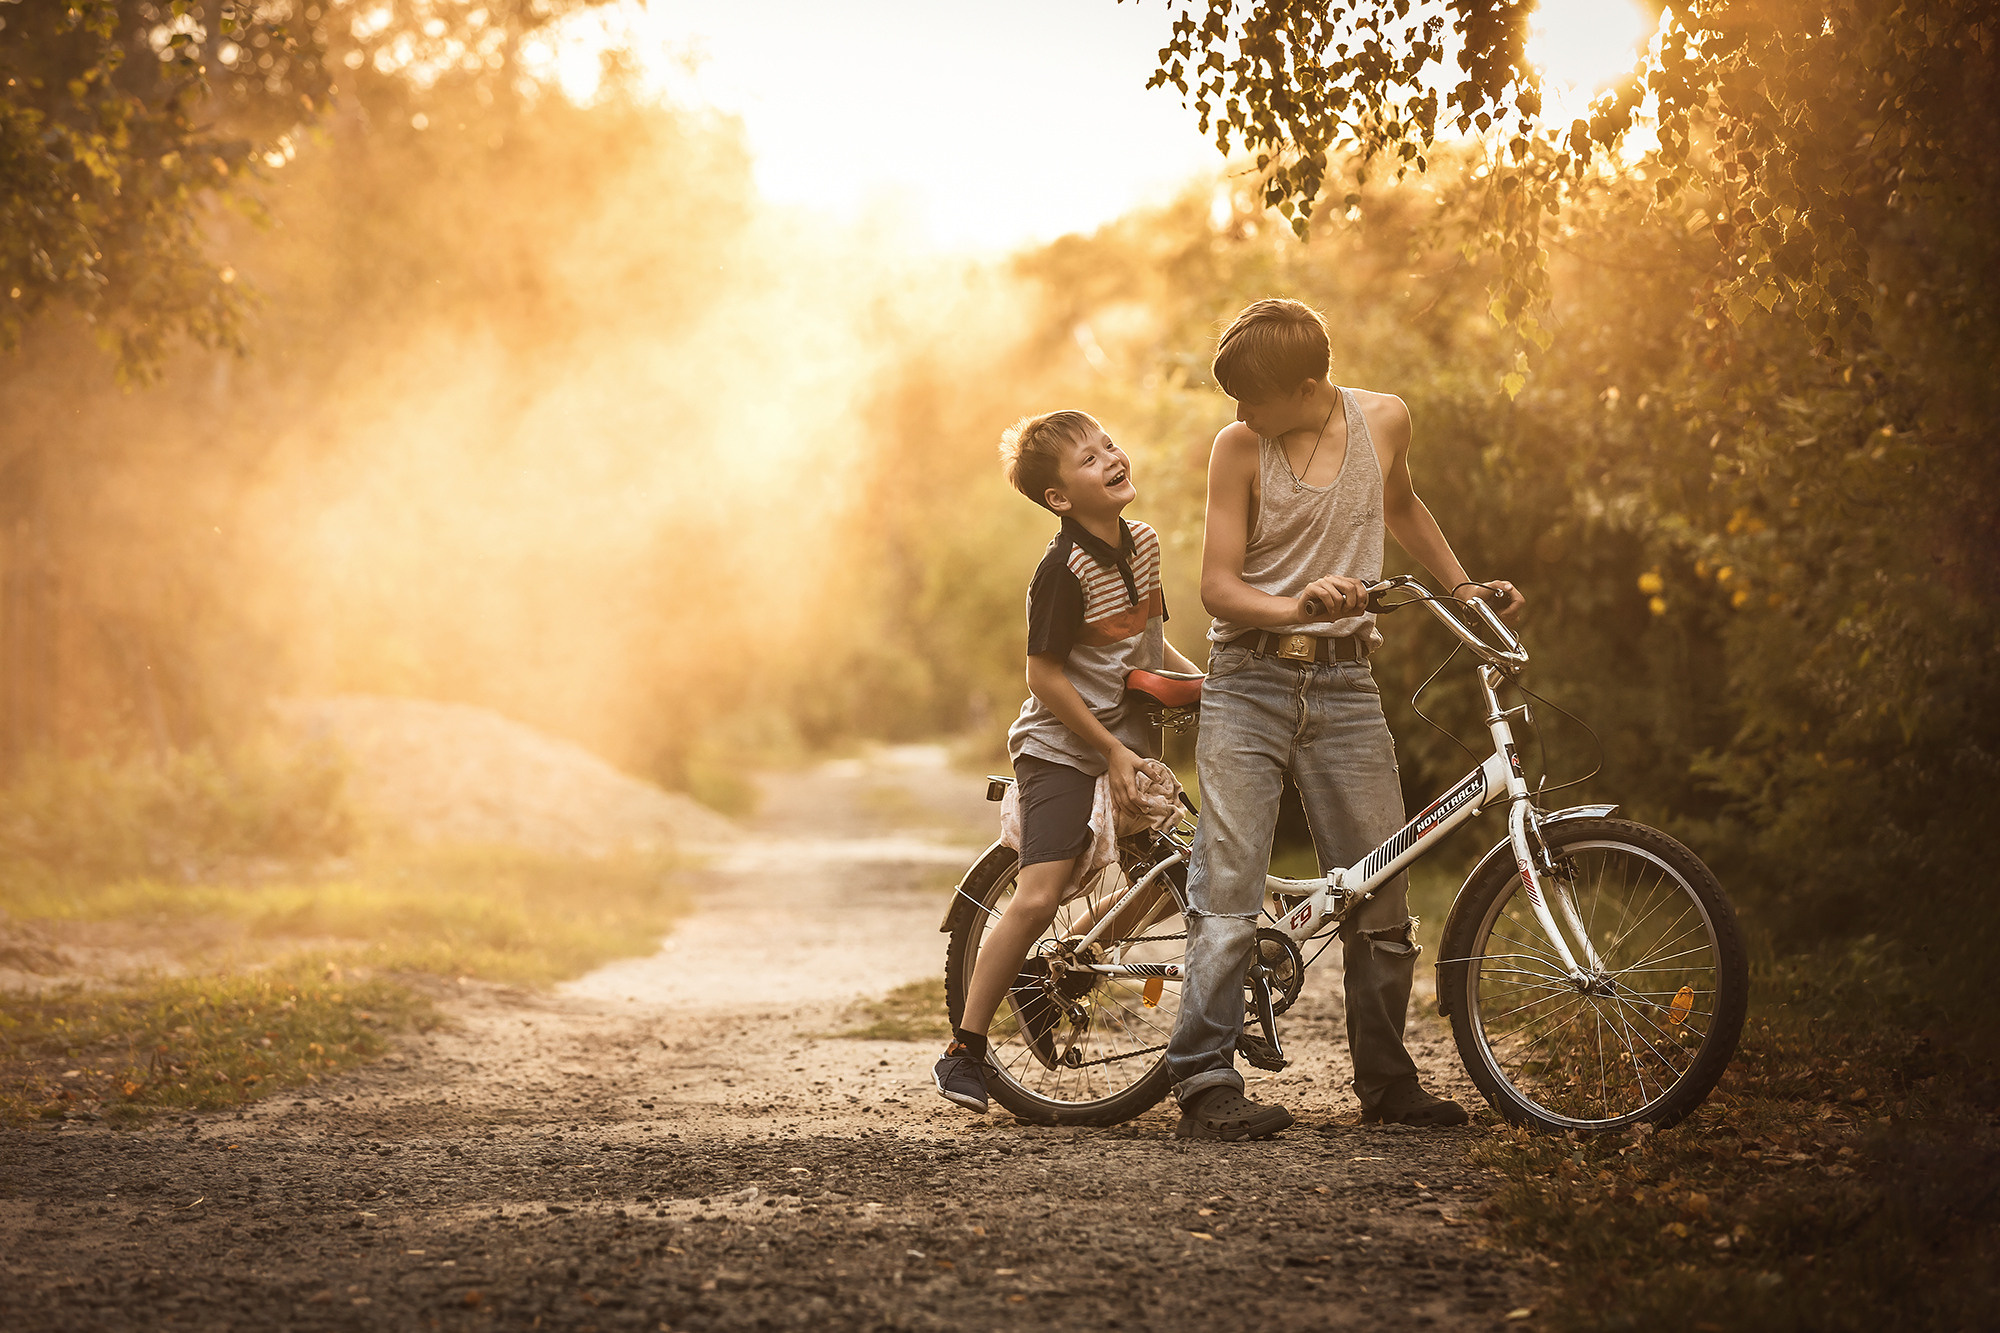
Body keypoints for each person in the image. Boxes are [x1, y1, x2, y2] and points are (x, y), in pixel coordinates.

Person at [1166, 298, 1522, 1141]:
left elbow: (1402, 509)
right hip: (1249, 679)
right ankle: (1205, 1081)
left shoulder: (1385, 419)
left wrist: (1468, 590)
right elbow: (1218, 587)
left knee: (1382, 887)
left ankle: (1389, 1085)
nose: (1239, 413)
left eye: (1252, 398)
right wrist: (1294, 606)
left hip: (1346, 686)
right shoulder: (1239, 447)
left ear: (1308, 385)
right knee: (1229, 884)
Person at [933, 409, 1202, 1113]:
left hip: (1129, 745)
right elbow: (1044, 677)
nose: (1111, 457)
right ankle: (965, 1049)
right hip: (1062, 747)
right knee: (1040, 892)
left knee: (1169, 878)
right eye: (1089, 459)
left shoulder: (1142, 544)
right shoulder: (1060, 569)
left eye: (1109, 444)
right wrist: (1109, 750)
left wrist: (1210, 688)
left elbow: (1149, 647)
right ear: (1059, 498)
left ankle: (1048, 972)